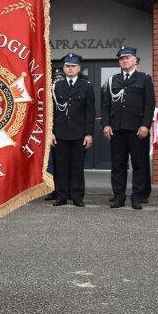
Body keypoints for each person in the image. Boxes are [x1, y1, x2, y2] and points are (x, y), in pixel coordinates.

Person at [101, 46, 155, 209]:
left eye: (127, 58)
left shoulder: (144, 79)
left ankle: (137, 196)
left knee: (139, 164)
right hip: (117, 129)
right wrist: (106, 124)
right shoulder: (113, 80)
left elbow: (149, 104)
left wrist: (145, 125)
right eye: (121, 58)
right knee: (118, 165)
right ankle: (118, 196)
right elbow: (106, 105)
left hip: (137, 129)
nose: (124, 60)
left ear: (135, 60)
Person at [51, 53, 95, 207]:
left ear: (79, 68)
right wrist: (51, 132)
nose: (70, 69)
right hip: (60, 132)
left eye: (73, 66)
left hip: (79, 133)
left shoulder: (86, 86)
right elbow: (52, 112)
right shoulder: (56, 86)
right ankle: (61, 196)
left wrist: (89, 133)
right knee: (61, 165)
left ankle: (77, 196)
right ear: (63, 68)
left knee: (77, 166)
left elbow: (90, 112)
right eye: (67, 66)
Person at [44, 68, 66, 201]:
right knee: (50, 164)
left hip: (63, 133)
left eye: (60, 79)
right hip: (50, 134)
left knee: (62, 164)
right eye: (56, 79)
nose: (57, 81)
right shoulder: (48, 95)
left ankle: (63, 190)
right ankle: (52, 190)